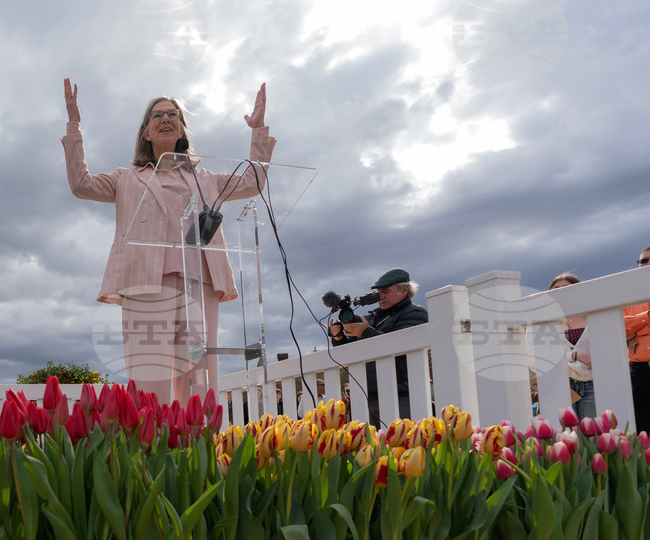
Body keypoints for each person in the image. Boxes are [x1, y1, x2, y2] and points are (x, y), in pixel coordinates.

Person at [63, 78, 276, 403]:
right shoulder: (126, 179)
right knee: (152, 376)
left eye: (173, 114)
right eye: (157, 115)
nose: (166, 118)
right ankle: (153, 435)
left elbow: (253, 182)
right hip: (145, 283)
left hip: (200, 282)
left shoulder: (206, 179)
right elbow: (81, 184)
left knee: (200, 376)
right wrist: (74, 125)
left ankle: (200, 435)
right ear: (146, 133)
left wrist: (257, 130)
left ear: (182, 129)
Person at [329, 268, 429, 425]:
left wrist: (365, 332)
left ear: (405, 290)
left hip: (402, 396)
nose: (381, 297)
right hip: (366, 397)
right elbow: (350, 354)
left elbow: (400, 346)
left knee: (403, 439)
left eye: (386, 292)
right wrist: (339, 338)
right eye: (379, 293)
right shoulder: (370, 318)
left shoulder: (416, 313)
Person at [548, 273, 596, 420]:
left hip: (591, 381)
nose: (560, 291)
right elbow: (543, 355)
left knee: (593, 430)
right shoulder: (546, 321)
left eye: (565, 287)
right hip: (562, 382)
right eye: (556, 289)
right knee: (565, 431)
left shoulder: (593, 315)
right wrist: (576, 355)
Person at [624, 246, 650, 434]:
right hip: (640, 372)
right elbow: (620, 327)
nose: (647, 264)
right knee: (644, 430)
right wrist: (648, 315)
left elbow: (629, 328)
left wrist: (638, 329)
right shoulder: (627, 297)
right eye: (644, 261)